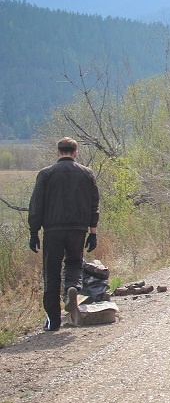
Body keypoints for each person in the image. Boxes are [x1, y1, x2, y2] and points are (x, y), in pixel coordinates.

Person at [28, 137, 100, 331]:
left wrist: (34, 232)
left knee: (51, 273)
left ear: (58, 153)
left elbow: (36, 206)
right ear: (75, 153)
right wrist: (93, 232)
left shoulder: (46, 174)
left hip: (52, 230)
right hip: (78, 229)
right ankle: (73, 288)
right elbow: (94, 205)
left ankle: (53, 321)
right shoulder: (87, 174)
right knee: (75, 263)